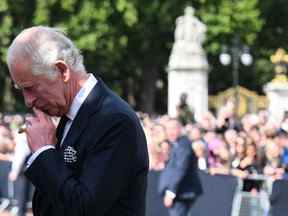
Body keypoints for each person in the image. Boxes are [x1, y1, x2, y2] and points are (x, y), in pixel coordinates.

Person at [6, 26, 149, 216]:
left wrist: (44, 152)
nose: (28, 100)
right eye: (21, 90)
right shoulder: (72, 115)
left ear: (62, 70)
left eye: (30, 88)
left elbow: (84, 208)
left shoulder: (114, 120)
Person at [158, 118, 202, 216]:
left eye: (173, 128)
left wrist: (170, 193)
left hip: (181, 193)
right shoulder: (176, 144)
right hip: (180, 193)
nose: (170, 132)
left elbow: (180, 169)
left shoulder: (183, 145)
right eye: (167, 129)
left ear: (180, 129)